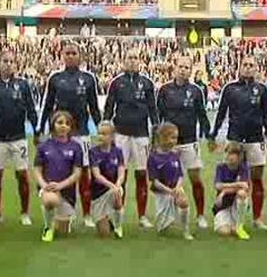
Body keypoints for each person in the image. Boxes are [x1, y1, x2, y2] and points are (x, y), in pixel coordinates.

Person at [37, 42, 102, 228]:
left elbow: (94, 107)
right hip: (59, 135)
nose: (71, 56)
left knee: (83, 176)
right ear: (62, 56)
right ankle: (61, 211)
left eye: (74, 53)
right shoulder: (55, 78)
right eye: (68, 53)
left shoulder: (88, 78)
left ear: (80, 56)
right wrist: (41, 129)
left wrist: (100, 129)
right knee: (59, 172)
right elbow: (47, 106)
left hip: (81, 134)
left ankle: (87, 214)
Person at [209, 55, 267, 230]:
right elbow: (221, 113)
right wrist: (213, 134)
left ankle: (258, 218)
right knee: (230, 175)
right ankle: (225, 214)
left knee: (257, 179)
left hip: (256, 139)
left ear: (256, 68)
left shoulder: (261, 89)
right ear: (239, 67)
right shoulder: (230, 89)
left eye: (251, 65)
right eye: (245, 64)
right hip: (235, 139)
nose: (247, 67)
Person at [103, 49, 158, 228]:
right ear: (124, 61)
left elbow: (152, 109)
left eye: (136, 58)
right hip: (121, 135)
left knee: (142, 175)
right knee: (121, 175)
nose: (133, 61)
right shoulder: (116, 83)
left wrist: (155, 129)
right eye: (129, 58)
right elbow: (109, 108)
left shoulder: (147, 83)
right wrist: (105, 128)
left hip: (141, 135)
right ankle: (118, 213)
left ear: (140, 61)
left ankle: (142, 216)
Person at [157, 55, 210, 229]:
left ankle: (201, 215)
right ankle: (166, 218)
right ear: (175, 68)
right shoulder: (165, 90)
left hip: (189, 142)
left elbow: (202, 115)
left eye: (187, 67)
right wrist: (156, 140)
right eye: (181, 66)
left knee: (195, 179)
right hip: (168, 144)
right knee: (167, 182)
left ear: (191, 70)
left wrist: (208, 135)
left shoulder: (196, 91)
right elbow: (158, 116)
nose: (183, 70)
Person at [0, 51, 38, 226]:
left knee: (22, 175)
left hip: (18, 138)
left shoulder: (22, 85)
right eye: (5, 61)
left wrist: (37, 130)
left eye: (11, 61)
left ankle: (24, 213)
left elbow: (31, 109)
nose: (8, 64)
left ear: (16, 65)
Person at [34, 111, 83, 243]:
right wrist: (44, 186)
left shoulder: (76, 147)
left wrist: (60, 185)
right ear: (53, 124)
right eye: (60, 123)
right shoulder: (44, 146)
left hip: (67, 191)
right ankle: (48, 227)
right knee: (50, 200)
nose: (63, 126)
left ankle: (60, 218)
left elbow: (77, 173)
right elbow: (37, 170)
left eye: (67, 124)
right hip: (48, 188)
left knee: (63, 230)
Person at [147, 123, 194, 240]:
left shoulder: (175, 155)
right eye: (172, 137)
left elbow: (180, 175)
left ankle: (186, 231)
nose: (175, 141)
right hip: (162, 191)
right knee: (163, 225)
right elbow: (154, 181)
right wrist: (168, 190)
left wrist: (178, 188)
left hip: (175, 188)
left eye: (176, 138)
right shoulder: (153, 157)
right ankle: (164, 226)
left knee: (184, 202)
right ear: (162, 138)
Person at [89, 121, 125, 238]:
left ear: (112, 136)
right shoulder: (93, 152)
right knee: (104, 234)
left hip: (113, 189)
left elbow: (121, 172)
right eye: (99, 133)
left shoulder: (118, 151)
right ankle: (107, 219)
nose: (100, 136)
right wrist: (112, 185)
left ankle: (118, 226)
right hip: (98, 193)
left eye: (104, 134)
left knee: (117, 194)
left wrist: (117, 185)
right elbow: (97, 175)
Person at [212, 142, 251, 239]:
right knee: (224, 232)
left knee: (242, 193)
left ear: (239, 157)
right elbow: (218, 186)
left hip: (235, 203)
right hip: (223, 205)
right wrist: (237, 184)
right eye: (228, 153)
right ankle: (228, 223)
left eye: (233, 154)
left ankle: (239, 226)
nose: (230, 157)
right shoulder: (220, 167)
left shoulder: (244, 167)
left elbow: (245, 186)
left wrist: (224, 191)